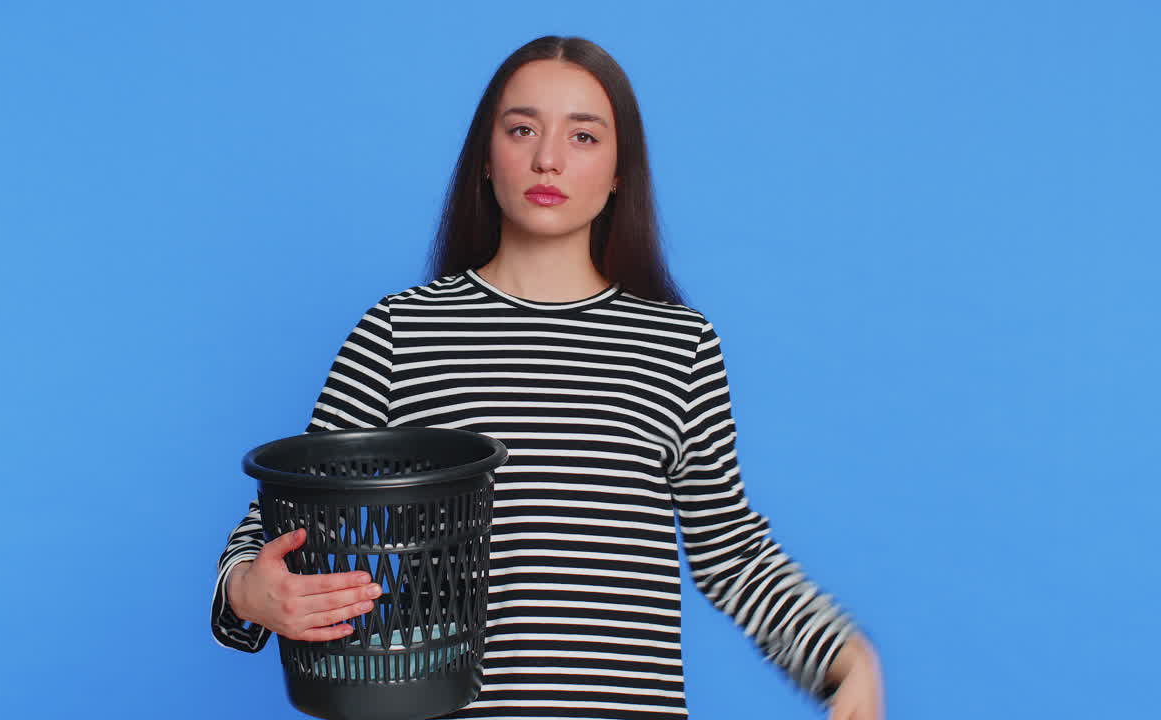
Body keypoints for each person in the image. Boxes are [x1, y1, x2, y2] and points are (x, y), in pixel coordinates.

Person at [212, 35, 885, 720]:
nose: (548, 159)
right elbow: (278, 522)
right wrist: (246, 592)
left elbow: (731, 552)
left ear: (622, 170)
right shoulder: (399, 333)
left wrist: (845, 658)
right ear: (485, 155)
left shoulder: (678, 345)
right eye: (522, 129)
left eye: (584, 136)